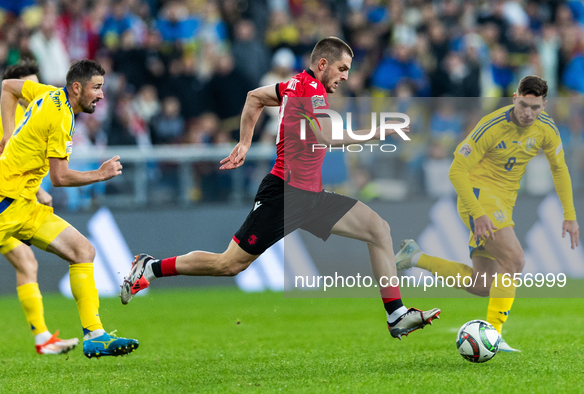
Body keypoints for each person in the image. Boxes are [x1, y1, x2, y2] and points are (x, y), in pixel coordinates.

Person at [121, 37, 441, 340]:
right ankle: (150, 267)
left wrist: (244, 144)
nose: (346, 76)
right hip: (285, 195)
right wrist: (381, 131)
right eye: (342, 68)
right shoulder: (311, 89)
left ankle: (396, 315)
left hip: (310, 196)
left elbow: (255, 98)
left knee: (378, 230)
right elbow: (327, 136)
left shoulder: (294, 84)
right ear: (323, 63)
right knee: (229, 264)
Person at [394, 76, 579, 352]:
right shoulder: (491, 126)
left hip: (503, 204)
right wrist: (478, 213)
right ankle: (494, 333)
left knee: (482, 285)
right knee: (515, 259)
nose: (529, 113)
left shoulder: (546, 128)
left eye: (536, 107)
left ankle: (414, 256)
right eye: (524, 105)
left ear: (545, 105)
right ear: (515, 98)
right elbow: (456, 169)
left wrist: (570, 214)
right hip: (478, 198)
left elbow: (560, 169)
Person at [0, 59, 139, 358]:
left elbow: (8, 88)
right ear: (77, 87)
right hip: (0, 202)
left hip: (25, 204)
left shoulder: (47, 92)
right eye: (96, 88)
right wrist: (101, 173)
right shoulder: (61, 118)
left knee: (82, 251)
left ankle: (95, 334)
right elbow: (59, 178)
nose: (101, 96)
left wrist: (9, 136)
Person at [0, 61, 79, 355]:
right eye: (28, 85)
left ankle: (42, 337)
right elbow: (3, 162)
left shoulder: (33, 113)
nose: (34, 91)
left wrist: (37, 191)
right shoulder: (1, 118)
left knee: (28, 263)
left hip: (13, 207)